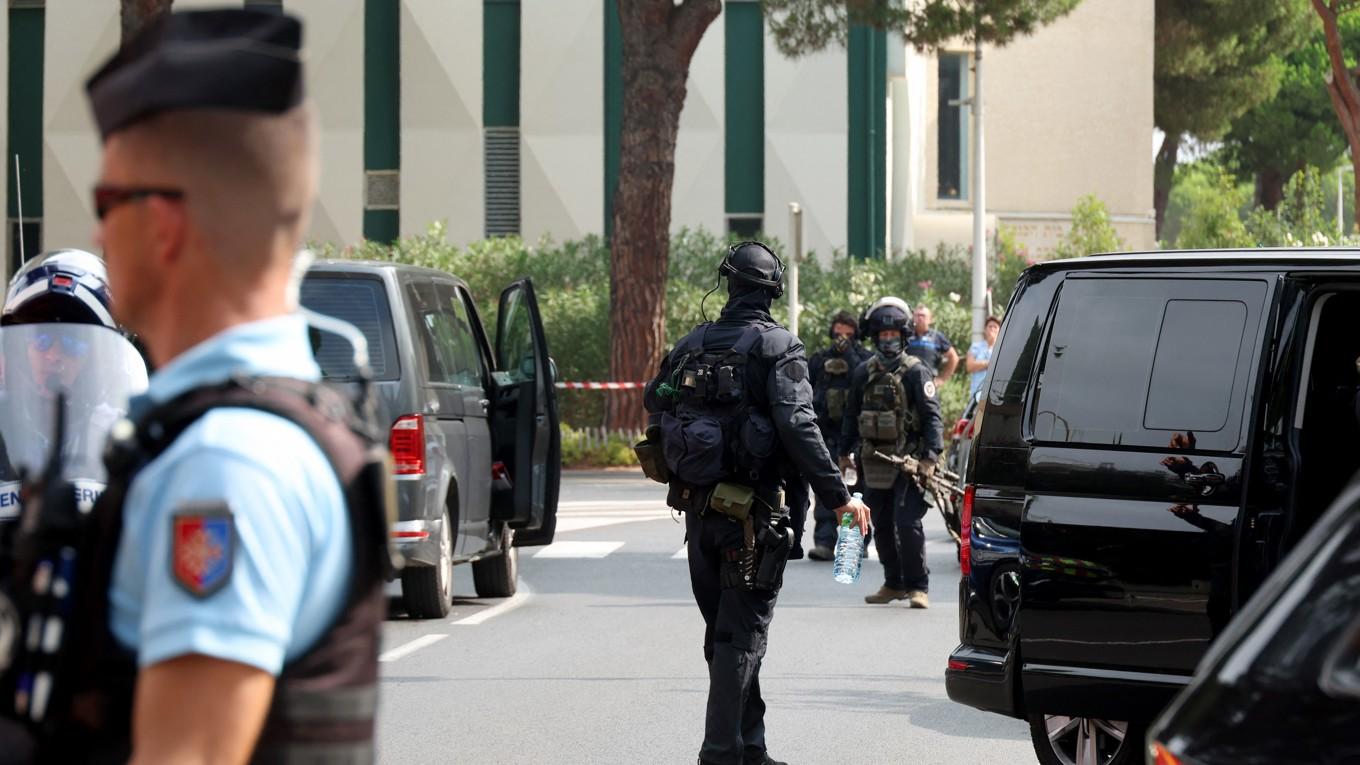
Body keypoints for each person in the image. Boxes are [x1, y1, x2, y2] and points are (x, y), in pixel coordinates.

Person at [6, 10, 391, 763]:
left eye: (106, 204)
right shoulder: (260, 425)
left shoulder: (224, 464)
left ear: (163, 224)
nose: (99, 233)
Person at [644, 241, 870, 765]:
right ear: (773, 290)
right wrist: (838, 499)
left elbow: (654, 399)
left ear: (727, 285)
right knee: (740, 638)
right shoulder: (779, 346)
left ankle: (751, 748)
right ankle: (721, 754)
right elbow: (798, 424)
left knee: (725, 635)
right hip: (754, 518)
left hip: (698, 514)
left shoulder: (690, 343)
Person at [841, 298, 943, 609]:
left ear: (903, 337)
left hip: (910, 462)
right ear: (875, 338)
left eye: (893, 336)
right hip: (875, 462)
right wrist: (843, 453)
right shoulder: (862, 372)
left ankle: (918, 586)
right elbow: (850, 415)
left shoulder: (916, 372)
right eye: (882, 337)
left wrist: (930, 458)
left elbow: (931, 416)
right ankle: (893, 582)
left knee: (907, 522)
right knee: (880, 523)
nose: (888, 342)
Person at [804, 311, 872, 561]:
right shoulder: (820, 360)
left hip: (854, 436)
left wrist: (850, 356)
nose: (842, 336)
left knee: (856, 490)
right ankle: (824, 541)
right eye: (838, 331)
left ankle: (858, 541)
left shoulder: (864, 360)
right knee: (825, 489)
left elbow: (864, 382)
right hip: (825, 434)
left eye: (848, 331)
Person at [906, 304, 959, 390]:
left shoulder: (937, 337)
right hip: (906, 383)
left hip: (928, 384)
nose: (919, 318)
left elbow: (954, 357)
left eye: (923, 316)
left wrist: (941, 379)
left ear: (930, 319)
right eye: (917, 315)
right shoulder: (906, 335)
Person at [966, 315, 1001, 399]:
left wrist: (979, 364)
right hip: (977, 395)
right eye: (990, 326)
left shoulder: (1002, 349)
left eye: (995, 327)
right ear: (985, 329)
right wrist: (989, 363)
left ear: (999, 330)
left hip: (995, 395)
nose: (992, 329)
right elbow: (970, 366)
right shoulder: (976, 346)